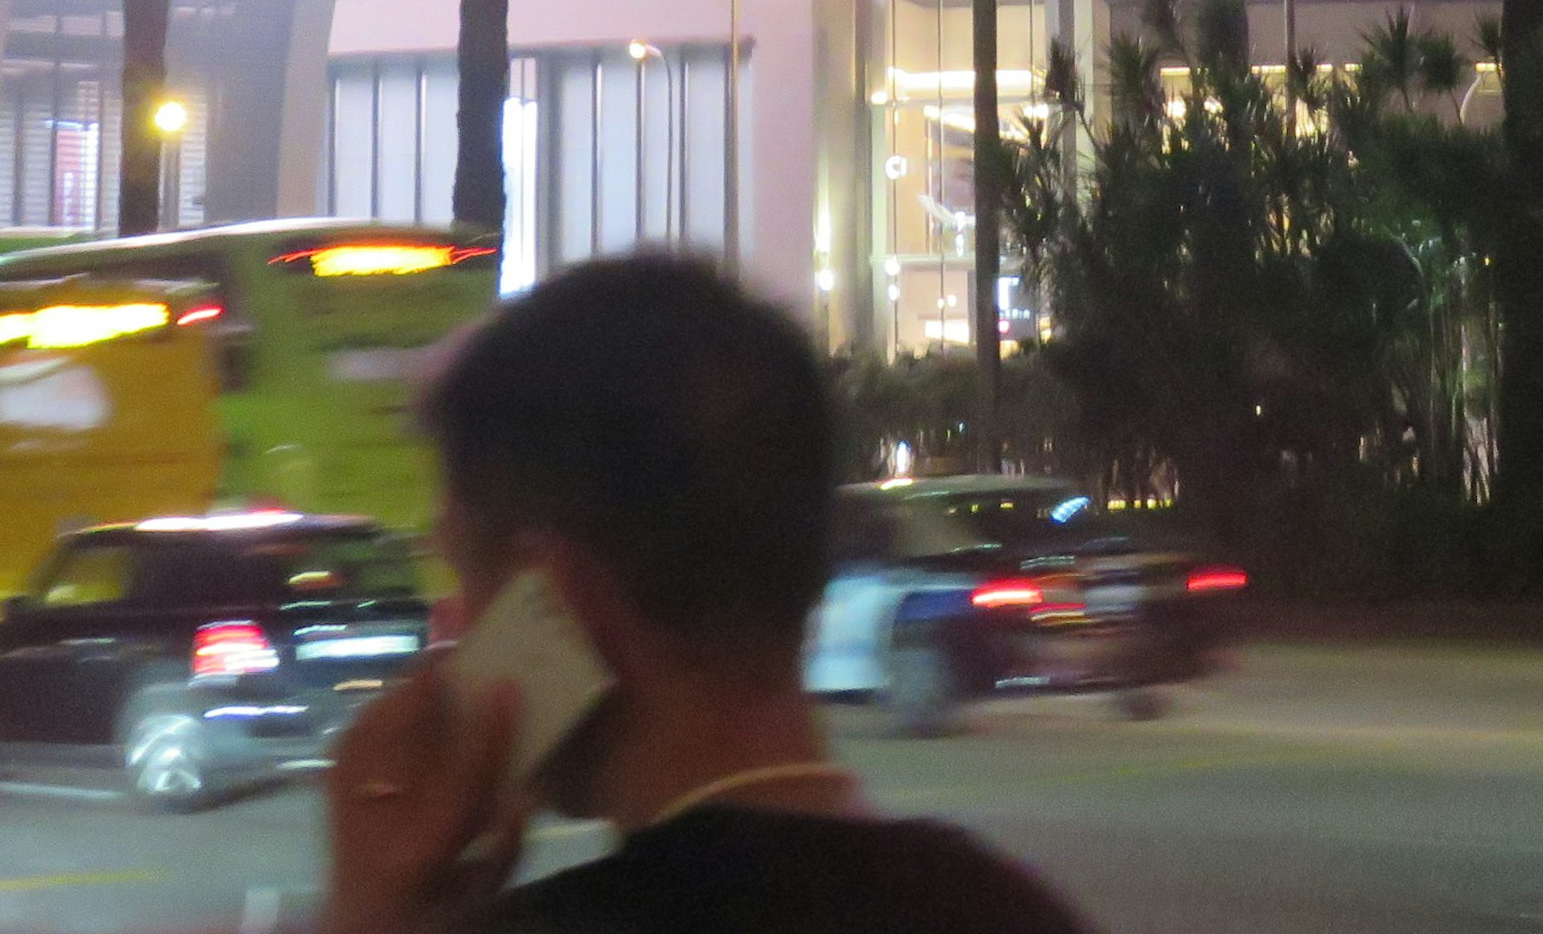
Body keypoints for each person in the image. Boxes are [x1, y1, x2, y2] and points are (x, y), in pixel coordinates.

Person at [326, 254, 1095, 934]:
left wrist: (366, 913)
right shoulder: (1011, 907)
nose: (452, 632)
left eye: (465, 579)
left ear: (552, 596)